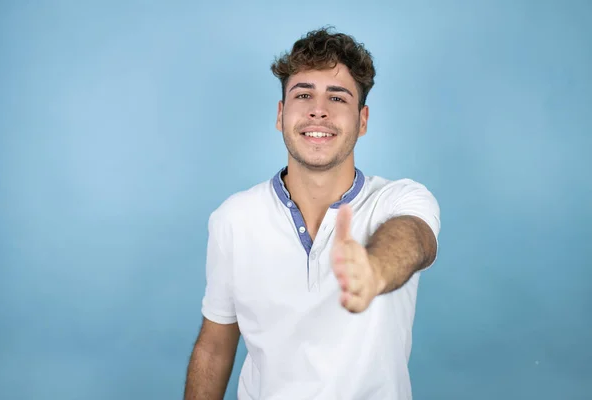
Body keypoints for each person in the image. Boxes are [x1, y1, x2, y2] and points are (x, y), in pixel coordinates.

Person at [184, 27, 441, 400]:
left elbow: (414, 238)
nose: (318, 110)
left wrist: (375, 270)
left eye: (337, 97)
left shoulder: (401, 199)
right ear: (280, 114)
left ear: (363, 120)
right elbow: (214, 346)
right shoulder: (233, 219)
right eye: (303, 94)